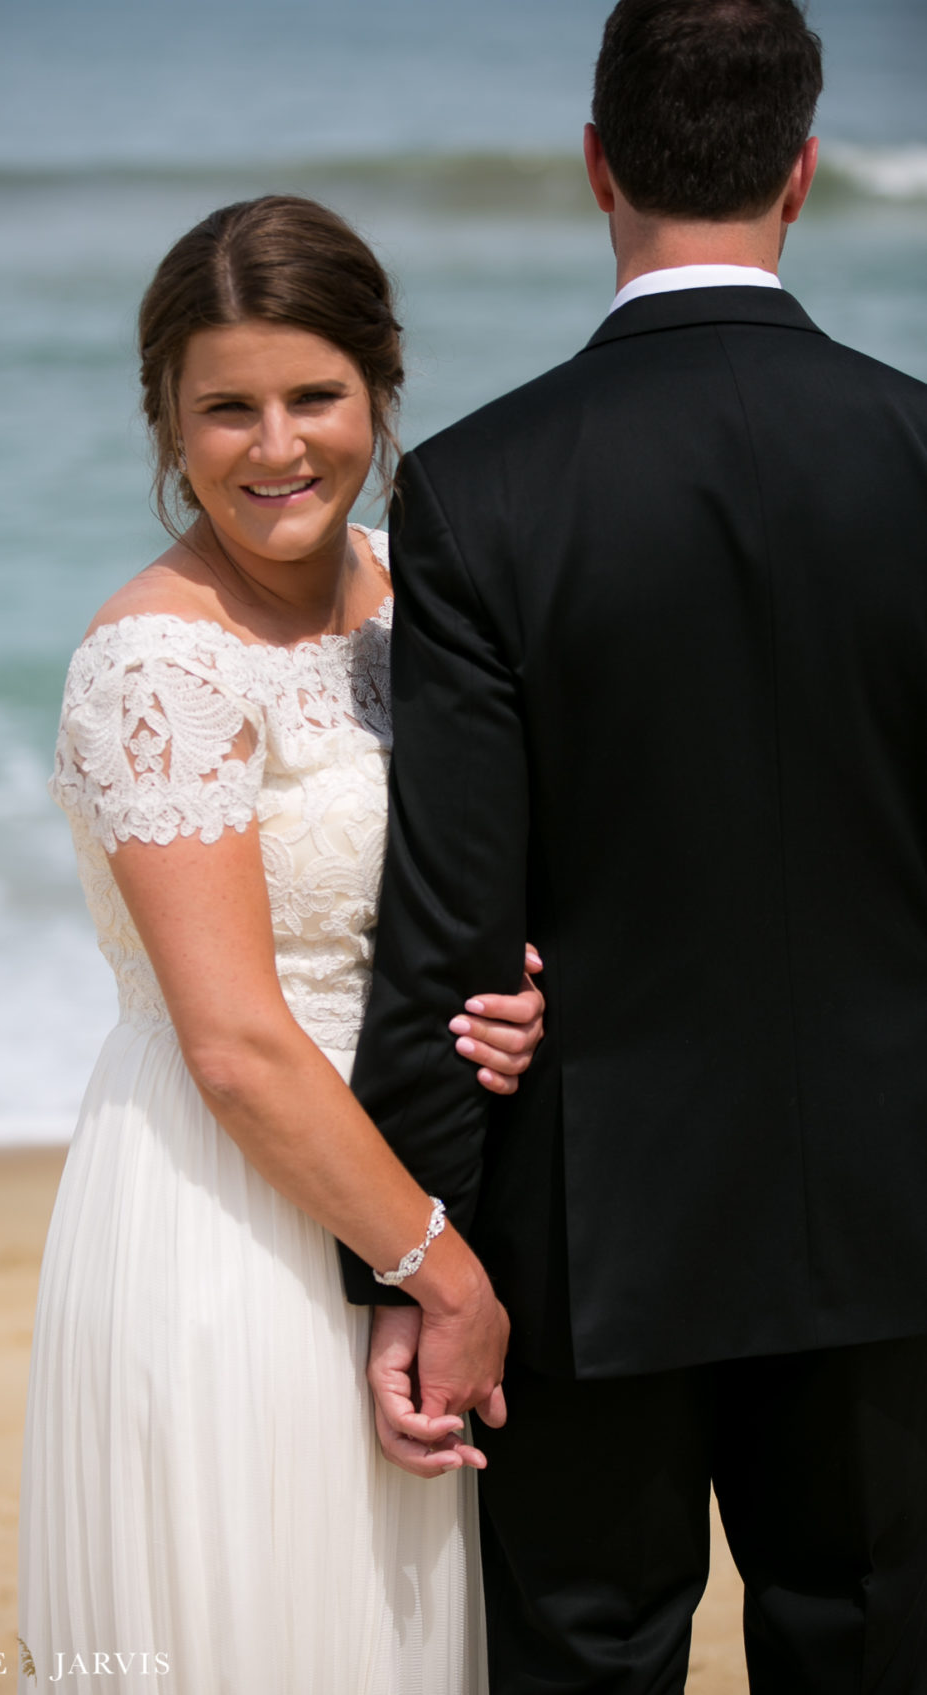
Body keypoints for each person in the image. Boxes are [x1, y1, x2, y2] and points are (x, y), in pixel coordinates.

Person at [340, 1, 927, 1689]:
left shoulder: (480, 488)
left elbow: (453, 924)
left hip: (591, 1229)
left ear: (596, 162)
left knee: (585, 1658)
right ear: (799, 171)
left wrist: (419, 1256)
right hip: (894, 1203)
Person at [17, 194, 545, 1695]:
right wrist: (446, 1277)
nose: (275, 448)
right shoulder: (154, 661)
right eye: (224, 409)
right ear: (164, 421)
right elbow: (236, 1044)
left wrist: (515, 988)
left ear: (380, 386)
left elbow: (466, 874)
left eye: (314, 396)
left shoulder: (418, 598)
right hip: (228, 1216)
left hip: (406, 1172)